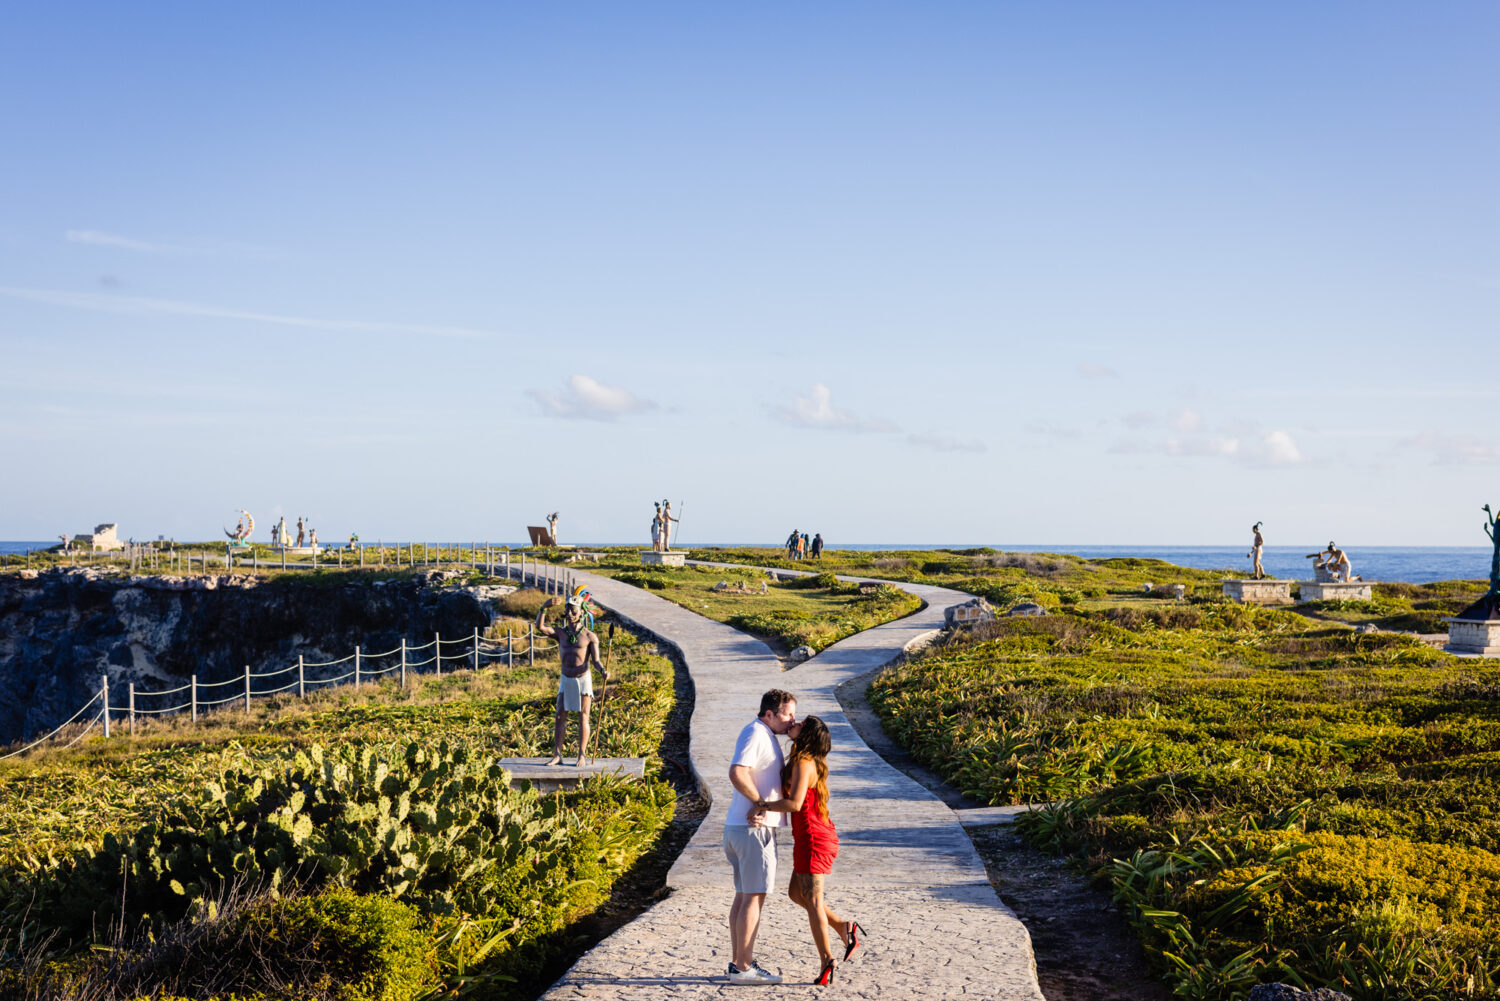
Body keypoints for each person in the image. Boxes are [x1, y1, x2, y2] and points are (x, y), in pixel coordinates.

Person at [752, 716, 863, 986]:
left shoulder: (803, 762)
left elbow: (794, 803)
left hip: (814, 838)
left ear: (807, 734)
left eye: (800, 723)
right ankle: (842, 927)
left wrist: (762, 806)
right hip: (809, 836)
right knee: (795, 894)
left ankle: (827, 960)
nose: (794, 722)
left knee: (812, 901)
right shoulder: (804, 759)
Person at [724, 689, 798, 986]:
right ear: (769, 714)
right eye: (787, 714)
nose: (792, 719)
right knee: (753, 897)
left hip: (741, 828)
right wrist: (761, 803)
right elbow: (736, 772)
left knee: (744, 896)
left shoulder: (761, 733)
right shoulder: (755, 733)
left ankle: (739, 963)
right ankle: (743, 968)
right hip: (754, 830)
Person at [535, 587, 608, 766]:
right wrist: (544, 607)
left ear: (581, 612)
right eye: (567, 610)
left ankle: (581, 755)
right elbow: (540, 627)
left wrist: (603, 670)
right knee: (560, 716)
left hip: (583, 678)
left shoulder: (590, 636)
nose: (570, 614)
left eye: (574, 611)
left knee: (583, 716)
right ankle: (557, 754)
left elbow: (596, 661)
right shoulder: (560, 633)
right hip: (566, 678)